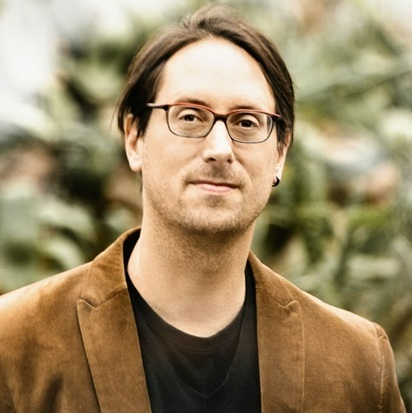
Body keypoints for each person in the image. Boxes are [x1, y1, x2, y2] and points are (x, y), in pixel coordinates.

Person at [0, 5, 405, 413]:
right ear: (134, 138)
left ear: (280, 153)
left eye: (246, 122)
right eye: (190, 117)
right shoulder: (15, 344)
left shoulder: (356, 363)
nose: (220, 148)